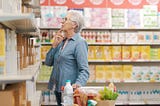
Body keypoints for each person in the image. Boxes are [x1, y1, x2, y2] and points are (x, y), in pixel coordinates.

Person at [45, 10, 90, 106]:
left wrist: (77, 86)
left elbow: (84, 70)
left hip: (69, 92)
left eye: (65, 19)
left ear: (74, 25)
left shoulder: (80, 43)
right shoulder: (61, 41)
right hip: (57, 88)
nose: (62, 22)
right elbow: (48, 62)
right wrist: (53, 46)